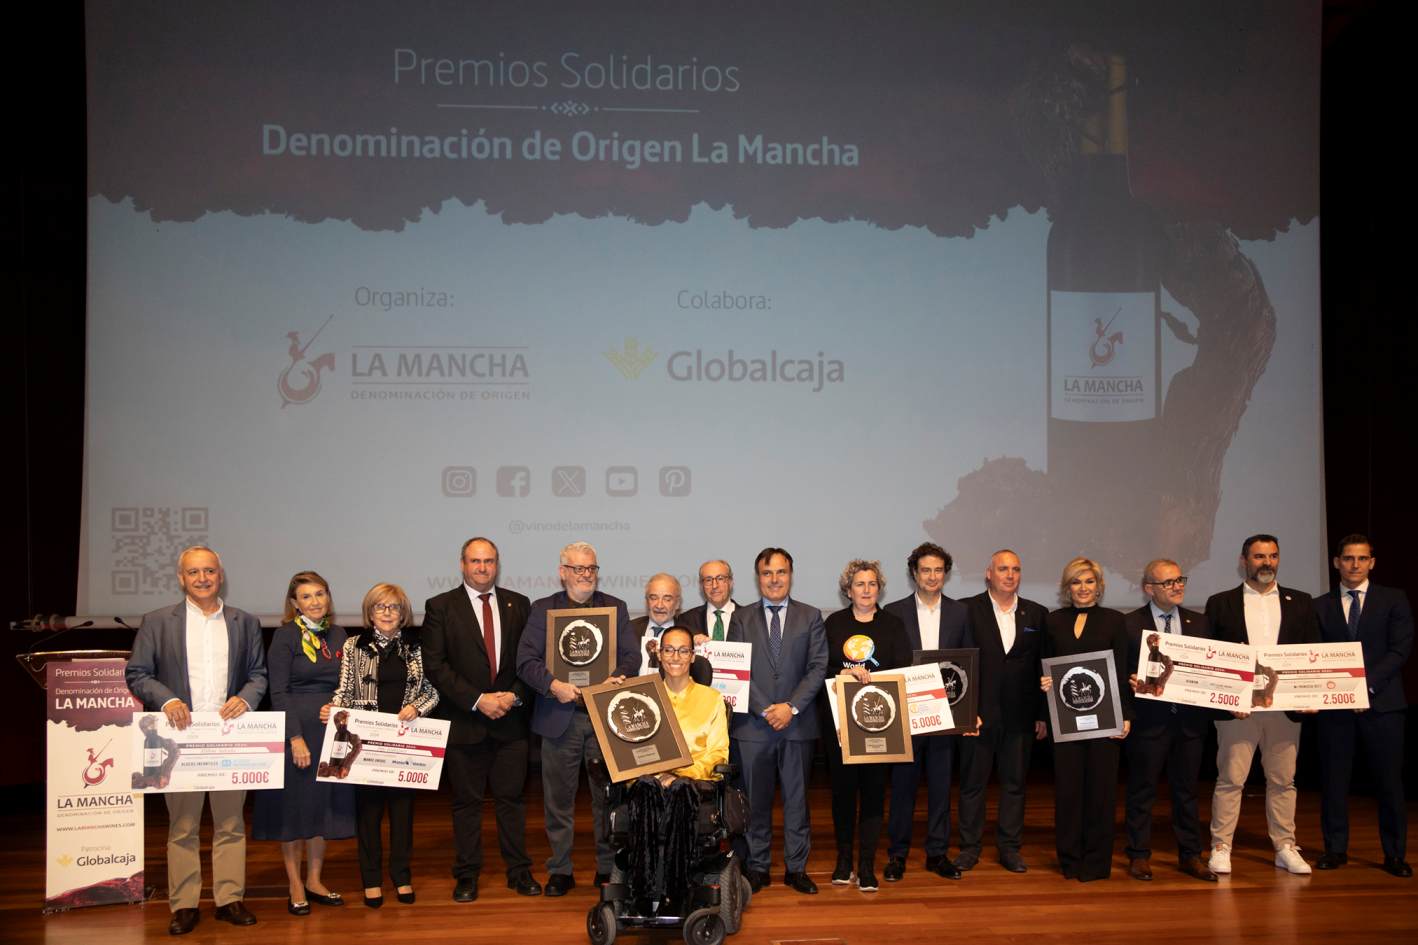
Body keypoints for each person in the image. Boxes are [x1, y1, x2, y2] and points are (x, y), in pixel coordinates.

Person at [125, 546, 268, 935]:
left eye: (209, 571)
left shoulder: (245, 621)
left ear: (220, 575)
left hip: (228, 739)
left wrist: (246, 697)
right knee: (183, 825)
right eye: (193, 573)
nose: (202, 578)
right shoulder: (157, 622)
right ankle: (185, 904)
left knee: (230, 823)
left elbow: (258, 674)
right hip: (180, 741)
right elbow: (137, 673)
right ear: (181, 578)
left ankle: (229, 899)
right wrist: (167, 699)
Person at [422, 537, 541, 903]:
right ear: (462, 564)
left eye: (489, 561)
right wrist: (477, 700)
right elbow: (436, 666)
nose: (482, 568)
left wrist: (513, 695)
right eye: (475, 561)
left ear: (497, 564)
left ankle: (518, 871)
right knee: (466, 803)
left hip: (510, 720)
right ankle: (467, 874)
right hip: (465, 721)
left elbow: (531, 659)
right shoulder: (440, 606)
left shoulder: (519, 604)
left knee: (511, 801)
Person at [515, 541, 636, 896]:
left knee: (608, 798)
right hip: (559, 716)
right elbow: (525, 660)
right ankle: (560, 869)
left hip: (604, 718)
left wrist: (618, 677)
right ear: (563, 572)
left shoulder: (616, 608)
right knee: (558, 800)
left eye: (591, 569)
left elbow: (630, 656)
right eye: (579, 569)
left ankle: (606, 867)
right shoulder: (543, 610)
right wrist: (553, 685)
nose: (586, 575)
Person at [1205, 533, 1320, 875]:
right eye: (1258, 557)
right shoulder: (1220, 602)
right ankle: (1221, 845)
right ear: (1244, 561)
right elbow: (1214, 658)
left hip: (1284, 709)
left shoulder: (1301, 601)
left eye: (1272, 556)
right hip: (1239, 709)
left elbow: (1310, 653)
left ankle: (1285, 845)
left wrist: (1308, 697)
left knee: (1283, 781)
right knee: (1231, 779)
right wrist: (1229, 699)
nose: (1266, 562)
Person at [328, 583, 440, 907]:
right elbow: (344, 691)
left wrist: (417, 708)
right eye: (381, 607)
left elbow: (433, 692)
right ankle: (371, 880)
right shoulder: (354, 646)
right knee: (369, 815)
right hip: (367, 744)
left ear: (403, 613)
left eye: (394, 607)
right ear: (370, 612)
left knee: (403, 815)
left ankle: (402, 877)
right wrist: (333, 709)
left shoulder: (417, 648)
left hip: (405, 745)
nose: (388, 613)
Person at [252, 571, 355, 915]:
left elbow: (348, 684)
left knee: (321, 808)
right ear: (295, 603)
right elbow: (278, 691)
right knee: (293, 810)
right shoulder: (285, 636)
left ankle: (314, 879)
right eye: (307, 597)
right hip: (296, 734)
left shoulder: (339, 635)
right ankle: (294, 883)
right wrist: (294, 737)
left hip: (331, 734)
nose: (315, 602)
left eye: (320, 594)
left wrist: (340, 705)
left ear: (328, 597)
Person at [727, 547, 828, 895]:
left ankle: (795, 868)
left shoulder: (811, 616)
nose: (774, 580)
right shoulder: (740, 619)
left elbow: (817, 667)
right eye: (767, 573)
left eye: (781, 572)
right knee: (755, 802)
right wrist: (766, 708)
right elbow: (736, 670)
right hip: (754, 727)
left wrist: (791, 707)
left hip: (797, 725)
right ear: (758, 578)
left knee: (797, 802)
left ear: (791, 574)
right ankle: (757, 867)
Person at [1313, 534, 1414, 877]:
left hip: (1383, 705)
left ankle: (1395, 854)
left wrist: (1365, 687)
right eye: (1347, 558)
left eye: (1361, 558)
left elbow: (1399, 650)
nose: (1354, 565)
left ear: (1372, 562)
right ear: (1336, 562)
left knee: (1389, 783)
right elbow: (1314, 657)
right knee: (1334, 781)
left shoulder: (1394, 599)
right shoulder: (1320, 605)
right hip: (1334, 708)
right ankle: (1335, 849)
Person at [883, 542, 974, 882]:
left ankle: (937, 853)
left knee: (940, 787)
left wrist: (970, 711)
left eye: (938, 570)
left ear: (945, 574)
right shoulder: (892, 612)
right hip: (908, 714)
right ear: (914, 574)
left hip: (947, 713)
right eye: (925, 570)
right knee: (903, 787)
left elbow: (969, 661)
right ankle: (897, 855)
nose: (932, 576)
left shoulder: (961, 613)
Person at [1121, 559, 1217, 882]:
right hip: (1149, 722)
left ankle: (1191, 855)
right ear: (1149, 588)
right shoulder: (1129, 624)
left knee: (1187, 791)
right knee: (1141, 790)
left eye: (1180, 580)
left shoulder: (1200, 623)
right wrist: (1129, 680)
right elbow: (1118, 669)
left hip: (1190, 723)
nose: (1178, 586)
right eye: (1169, 582)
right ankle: (1138, 854)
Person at [818, 559, 910, 892]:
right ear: (848, 590)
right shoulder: (834, 624)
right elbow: (822, 668)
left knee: (873, 795)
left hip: (879, 725)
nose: (866, 590)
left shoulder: (893, 625)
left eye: (872, 584)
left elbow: (903, 671)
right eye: (860, 584)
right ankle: (844, 861)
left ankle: (867, 865)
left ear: (879, 588)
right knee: (843, 795)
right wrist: (842, 673)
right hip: (840, 725)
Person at [1040, 557, 1132, 882]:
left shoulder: (1114, 621)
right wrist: (1044, 682)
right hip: (1064, 722)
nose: (1083, 588)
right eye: (1076, 582)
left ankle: (1095, 864)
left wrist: (1126, 717)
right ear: (1067, 588)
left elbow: (1121, 674)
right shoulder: (1053, 621)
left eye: (1089, 582)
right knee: (1068, 792)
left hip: (1105, 722)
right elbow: (1044, 665)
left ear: (1099, 586)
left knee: (1101, 793)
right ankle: (1069, 860)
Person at [957, 550, 1049, 873]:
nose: (1009, 575)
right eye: (1003, 569)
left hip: (1021, 716)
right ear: (988, 573)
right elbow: (958, 664)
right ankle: (969, 848)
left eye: (1015, 569)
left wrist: (1042, 714)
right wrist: (965, 711)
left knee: (1015, 785)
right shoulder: (966, 610)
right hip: (978, 716)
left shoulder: (1037, 614)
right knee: (972, 785)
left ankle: (1009, 848)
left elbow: (1043, 667)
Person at [631, 573, 713, 685]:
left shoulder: (692, 636)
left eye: (667, 599)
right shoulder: (628, 630)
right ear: (646, 601)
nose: (659, 605)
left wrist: (703, 646)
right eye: (653, 598)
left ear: (677, 603)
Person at [680, 559, 740, 645]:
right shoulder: (686, 620)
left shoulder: (748, 619)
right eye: (708, 580)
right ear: (701, 585)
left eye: (720, 578)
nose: (714, 585)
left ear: (730, 582)